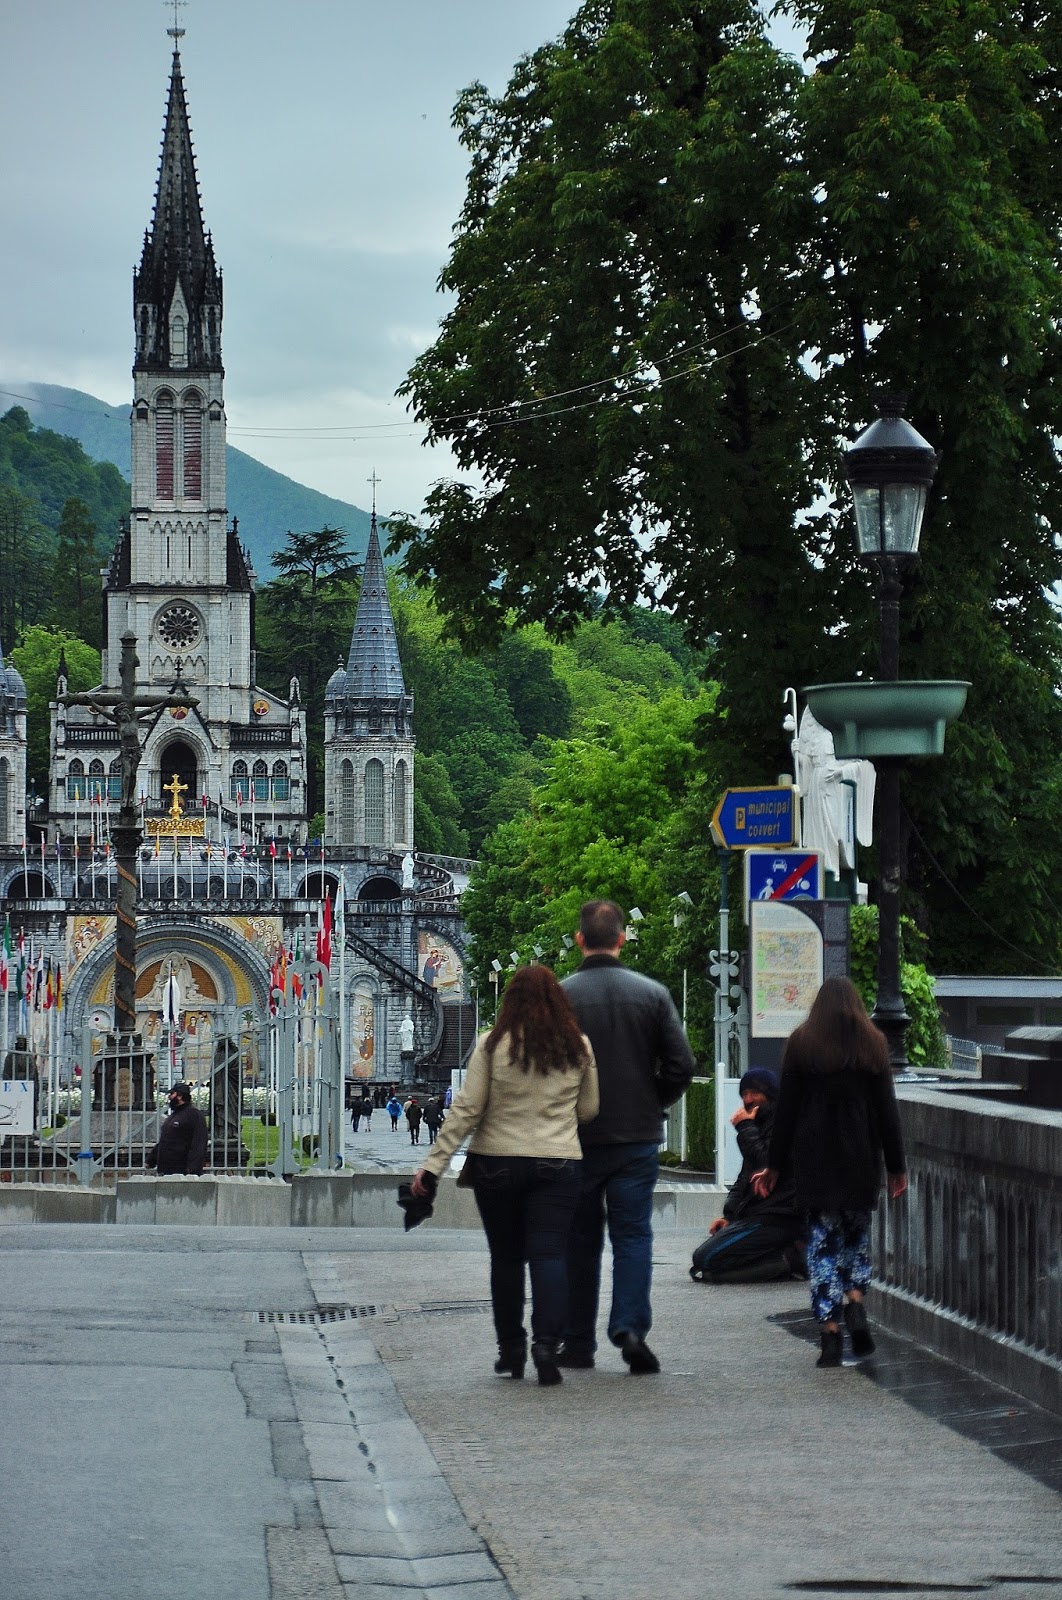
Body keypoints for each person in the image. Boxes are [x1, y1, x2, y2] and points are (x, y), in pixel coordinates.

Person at [412, 964, 598, 1385]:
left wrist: (433, 1165)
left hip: (497, 1164)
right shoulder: (579, 1047)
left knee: (507, 1258)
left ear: (509, 1001)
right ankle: (547, 1346)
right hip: (558, 1163)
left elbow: (467, 1109)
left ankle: (510, 1350)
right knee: (550, 1256)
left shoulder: (491, 1045)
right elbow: (589, 1111)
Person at [559, 900, 695, 1374]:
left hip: (575, 1139)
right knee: (633, 1234)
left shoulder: (561, 997)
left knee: (579, 1239)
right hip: (636, 1138)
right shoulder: (652, 994)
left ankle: (577, 1342)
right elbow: (683, 1063)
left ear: (580, 940)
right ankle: (630, 1327)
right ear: (622, 938)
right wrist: (653, 1101)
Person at [753, 976, 907, 1367]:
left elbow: (785, 1111)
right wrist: (896, 1167)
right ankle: (855, 1300)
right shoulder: (873, 1044)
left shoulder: (802, 1044)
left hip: (815, 1159)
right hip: (859, 1158)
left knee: (822, 1244)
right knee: (855, 1237)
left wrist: (772, 1165)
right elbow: (888, 1112)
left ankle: (830, 1334)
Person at [689, 1068, 804, 1283]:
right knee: (704, 1261)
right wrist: (729, 1217)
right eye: (744, 1094)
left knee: (706, 1258)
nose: (748, 1100)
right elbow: (745, 1176)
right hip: (760, 1215)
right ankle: (779, 1259)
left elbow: (767, 1162)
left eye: (754, 1093)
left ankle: (788, 1260)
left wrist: (745, 1127)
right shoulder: (758, 1125)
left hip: (778, 1217)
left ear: (769, 1094)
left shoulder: (784, 1124)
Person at [147, 1082, 208, 1175]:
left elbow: (199, 1143)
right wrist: (151, 1160)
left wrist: (192, 1168)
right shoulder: (173, 1116)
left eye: (172, 1094)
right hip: (167, 1170)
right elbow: (165, 1141)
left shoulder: (194, 1115)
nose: (169, 1097)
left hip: (182, 1171)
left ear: (179, 1096)